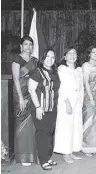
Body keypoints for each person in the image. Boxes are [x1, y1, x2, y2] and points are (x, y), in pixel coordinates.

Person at [28, 49, 60, 170]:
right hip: (40, 107)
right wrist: (37, 107)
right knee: (42, 133)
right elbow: (31, 90)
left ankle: (47, 157)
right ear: (43, 58)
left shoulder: (54, 72)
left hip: (52, 107)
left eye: (53, 57)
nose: (50, 59)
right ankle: (43, 160)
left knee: (50, 133)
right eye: (48, 56)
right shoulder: (37, 71)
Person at [12, 35, 39, 166]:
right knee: (21, 124)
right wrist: (21, 98)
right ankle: (23, 156)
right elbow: (16, 79)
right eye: (26, 44)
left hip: (32, 94)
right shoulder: (17, 59)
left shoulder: (35, 60)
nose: (28, 47)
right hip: (20, 94)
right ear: (21, 46)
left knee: (32, 124)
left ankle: (32, 154)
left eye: (30, 44)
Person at [54, 47, 84, 163]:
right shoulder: (62, 69)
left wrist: (80, 102)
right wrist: (67, 103)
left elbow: (81, 87)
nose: (72, 55)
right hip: (66, 100)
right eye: (69, 53)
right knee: (65, 126)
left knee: (75, 126)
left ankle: (71, 151)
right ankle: (65, 153)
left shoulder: (78, 70)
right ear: (65, 57)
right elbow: (61, 88)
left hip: (77, 100)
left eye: (74, 53)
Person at [81, 46, 96, 155]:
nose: (95, 54)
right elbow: (86, 83)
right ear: (89, 54)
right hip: (89, 96)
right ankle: (86, 147)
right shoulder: (86, 66)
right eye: (93, 52)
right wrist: (90, 98)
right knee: (88, 120)